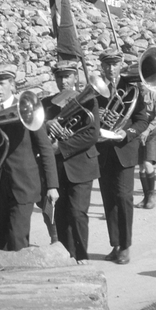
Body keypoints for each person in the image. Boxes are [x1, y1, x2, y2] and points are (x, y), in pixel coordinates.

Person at [0, 64, 58, 251]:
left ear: (12, 85)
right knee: (0, 241)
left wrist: (52, 185)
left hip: (23, 184)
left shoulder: (27, 108)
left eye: (1, 83)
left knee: (17, 239)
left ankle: (20, 276)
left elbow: (45, 148)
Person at [95, 48, 151, 264]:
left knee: (124, 198)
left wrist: (126, 133)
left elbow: (142, 121)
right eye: (107, 64)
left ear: (120, 65)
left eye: (114, 64)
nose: (110, 68)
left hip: (124, 151)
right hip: (102, 152)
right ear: (102, 66)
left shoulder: (132, 91)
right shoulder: (95, 90)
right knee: (108, 199)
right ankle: (115, 244)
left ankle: (126, 246)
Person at [45, 60, 100, 261]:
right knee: (60, 215)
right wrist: (47, 124)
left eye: (67, 76)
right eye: (59, 77)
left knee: (77, 213)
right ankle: (67, 256)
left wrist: (62, 146)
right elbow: (37, 130)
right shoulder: (47, 104)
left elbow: (92, 134)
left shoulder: (88, 101)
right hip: (58, 169)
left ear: (75, 77)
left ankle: (82, 257)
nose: (63, 81)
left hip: (82, 165)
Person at [134, 77, 156, 209]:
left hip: (151, 133)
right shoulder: (134, 94)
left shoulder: (153, 94)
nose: (141, 84)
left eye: (143, 82)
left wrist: (147, 130)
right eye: (138, 82)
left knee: (147, 163)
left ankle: (152, 196)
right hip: (139, 133)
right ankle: (146, 196)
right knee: (141, 166)